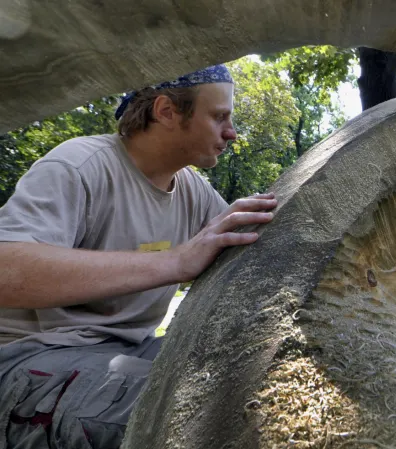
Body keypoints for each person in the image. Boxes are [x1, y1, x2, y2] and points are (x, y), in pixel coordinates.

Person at [0, 64, 276, 448]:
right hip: (31, 360)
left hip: (132, 352)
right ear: (166, 111)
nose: (231, 132)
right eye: (219, 117)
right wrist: (176, 261)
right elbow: (7, 271)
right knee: (207, 413)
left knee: (252, 377)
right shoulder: (77, 165)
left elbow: (252, 248)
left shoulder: (193, 190)